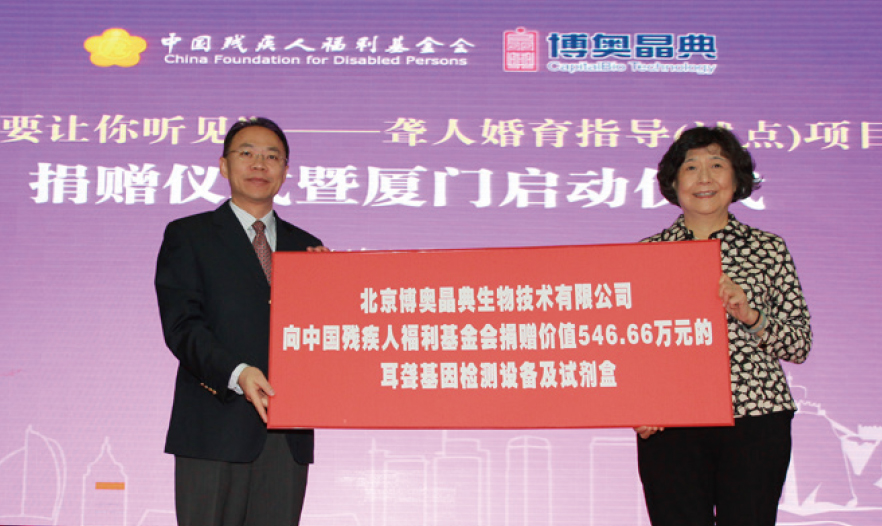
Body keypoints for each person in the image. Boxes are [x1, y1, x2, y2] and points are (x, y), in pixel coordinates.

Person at [635, 126, 812, 526]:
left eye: (717, 165)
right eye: (691, 167)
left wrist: (751, 316)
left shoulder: (768, 249)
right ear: (673, 182)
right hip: (672, 420)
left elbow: (799, 344)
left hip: (755, 416)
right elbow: (633, 348)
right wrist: (640, 404)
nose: (704, 178)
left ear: (736, 179)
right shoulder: (647, 254)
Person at [155, 117, 328, 526]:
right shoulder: (189, 235)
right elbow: (182, 326)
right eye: (246, 153)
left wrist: (330, 289)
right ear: (223, 165)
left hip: (286, 436)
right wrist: (237, 373)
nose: (259, 164)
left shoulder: (308, 247)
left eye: (272, 157)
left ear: (286, 171)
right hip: (212, 428)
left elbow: (324, 338)